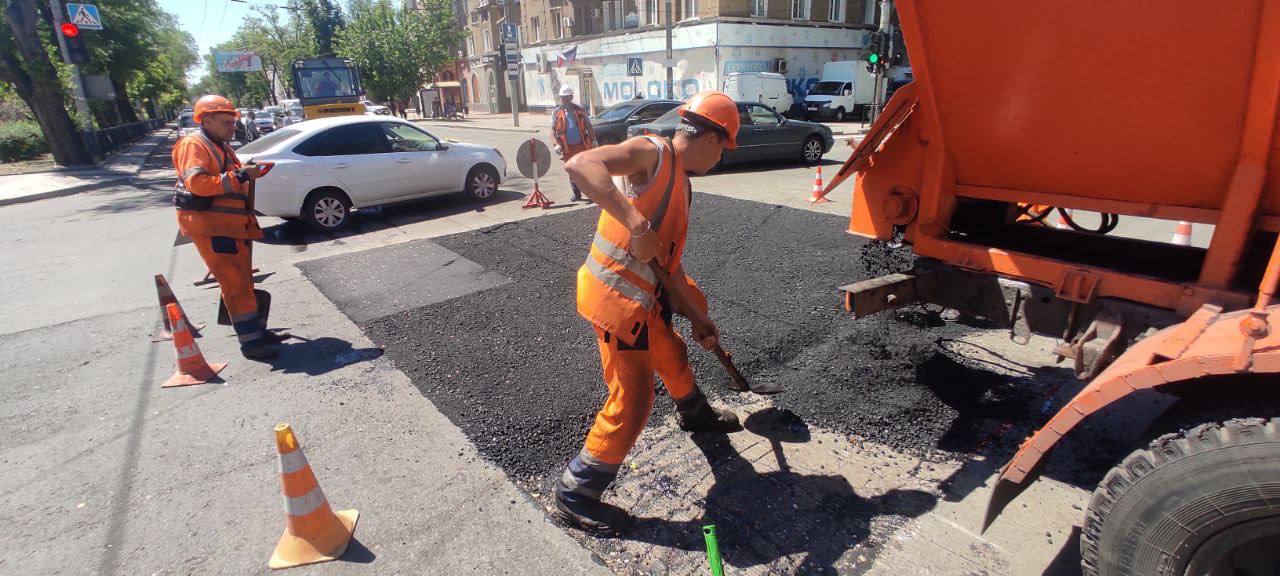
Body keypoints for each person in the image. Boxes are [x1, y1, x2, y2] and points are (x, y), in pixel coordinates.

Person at [555, 91, 743, 535]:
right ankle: (577, 492)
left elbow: (668, 265)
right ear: (713, 139)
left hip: (647, 298)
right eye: (726, 147)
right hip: (616, 302)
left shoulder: (684, 184)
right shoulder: (653, 153)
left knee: (673, 352)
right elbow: (580, 166)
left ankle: (695, 412)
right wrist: (634, 223)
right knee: (634, 399)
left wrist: (698, 315)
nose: (724, 158)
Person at [171, 95, 282, 360]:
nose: (233, 127)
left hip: (232, 226)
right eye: (226, 122)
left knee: (242, 281)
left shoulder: (218, 144)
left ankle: (255, 331)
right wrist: (243, 175)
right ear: (206, 120)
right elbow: (198, 184)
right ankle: (252, 344)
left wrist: (246, 171)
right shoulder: (194, 145)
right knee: (235, 284)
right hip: (214, 227)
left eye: (233, 121)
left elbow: (227, 176)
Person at [551, 84, 598, 202]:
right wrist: (556, 144)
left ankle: (591, 194)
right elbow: (552, 131)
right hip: (567, 148)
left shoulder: (580, 110)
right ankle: (576, 194)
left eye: (567, 97)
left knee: (585, 170)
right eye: (563, 97)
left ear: (571, 97)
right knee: (572, 172)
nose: (565, 99)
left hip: (582, 146)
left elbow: (588, 126)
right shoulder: (556, 112)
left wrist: (594, 140)